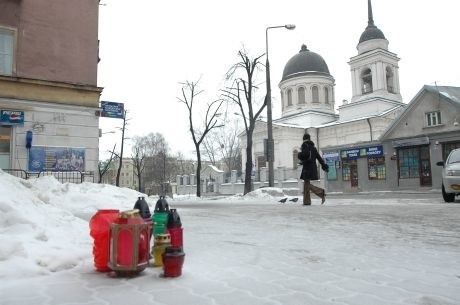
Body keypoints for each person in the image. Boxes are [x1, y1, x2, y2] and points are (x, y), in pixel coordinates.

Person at [298, 133, 329, 205]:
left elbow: (305, 155)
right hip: (312, 168)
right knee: (306, 184)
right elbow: (319, 158)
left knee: (306, 185)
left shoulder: (305, 145)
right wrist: (324, 166)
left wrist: (299, 155)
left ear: (304, 139)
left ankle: (321, 192)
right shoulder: (313, 148)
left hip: (307, 168)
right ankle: (307, 202)